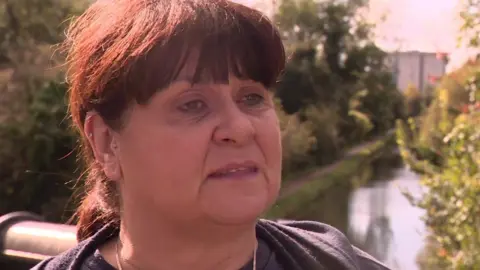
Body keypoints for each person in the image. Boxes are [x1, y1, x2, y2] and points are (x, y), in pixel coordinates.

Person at [32, 0, 390, 269]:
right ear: (107, 143)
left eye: (251, 98)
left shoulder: (335, 262)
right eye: (192, 105)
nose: (240, 128)